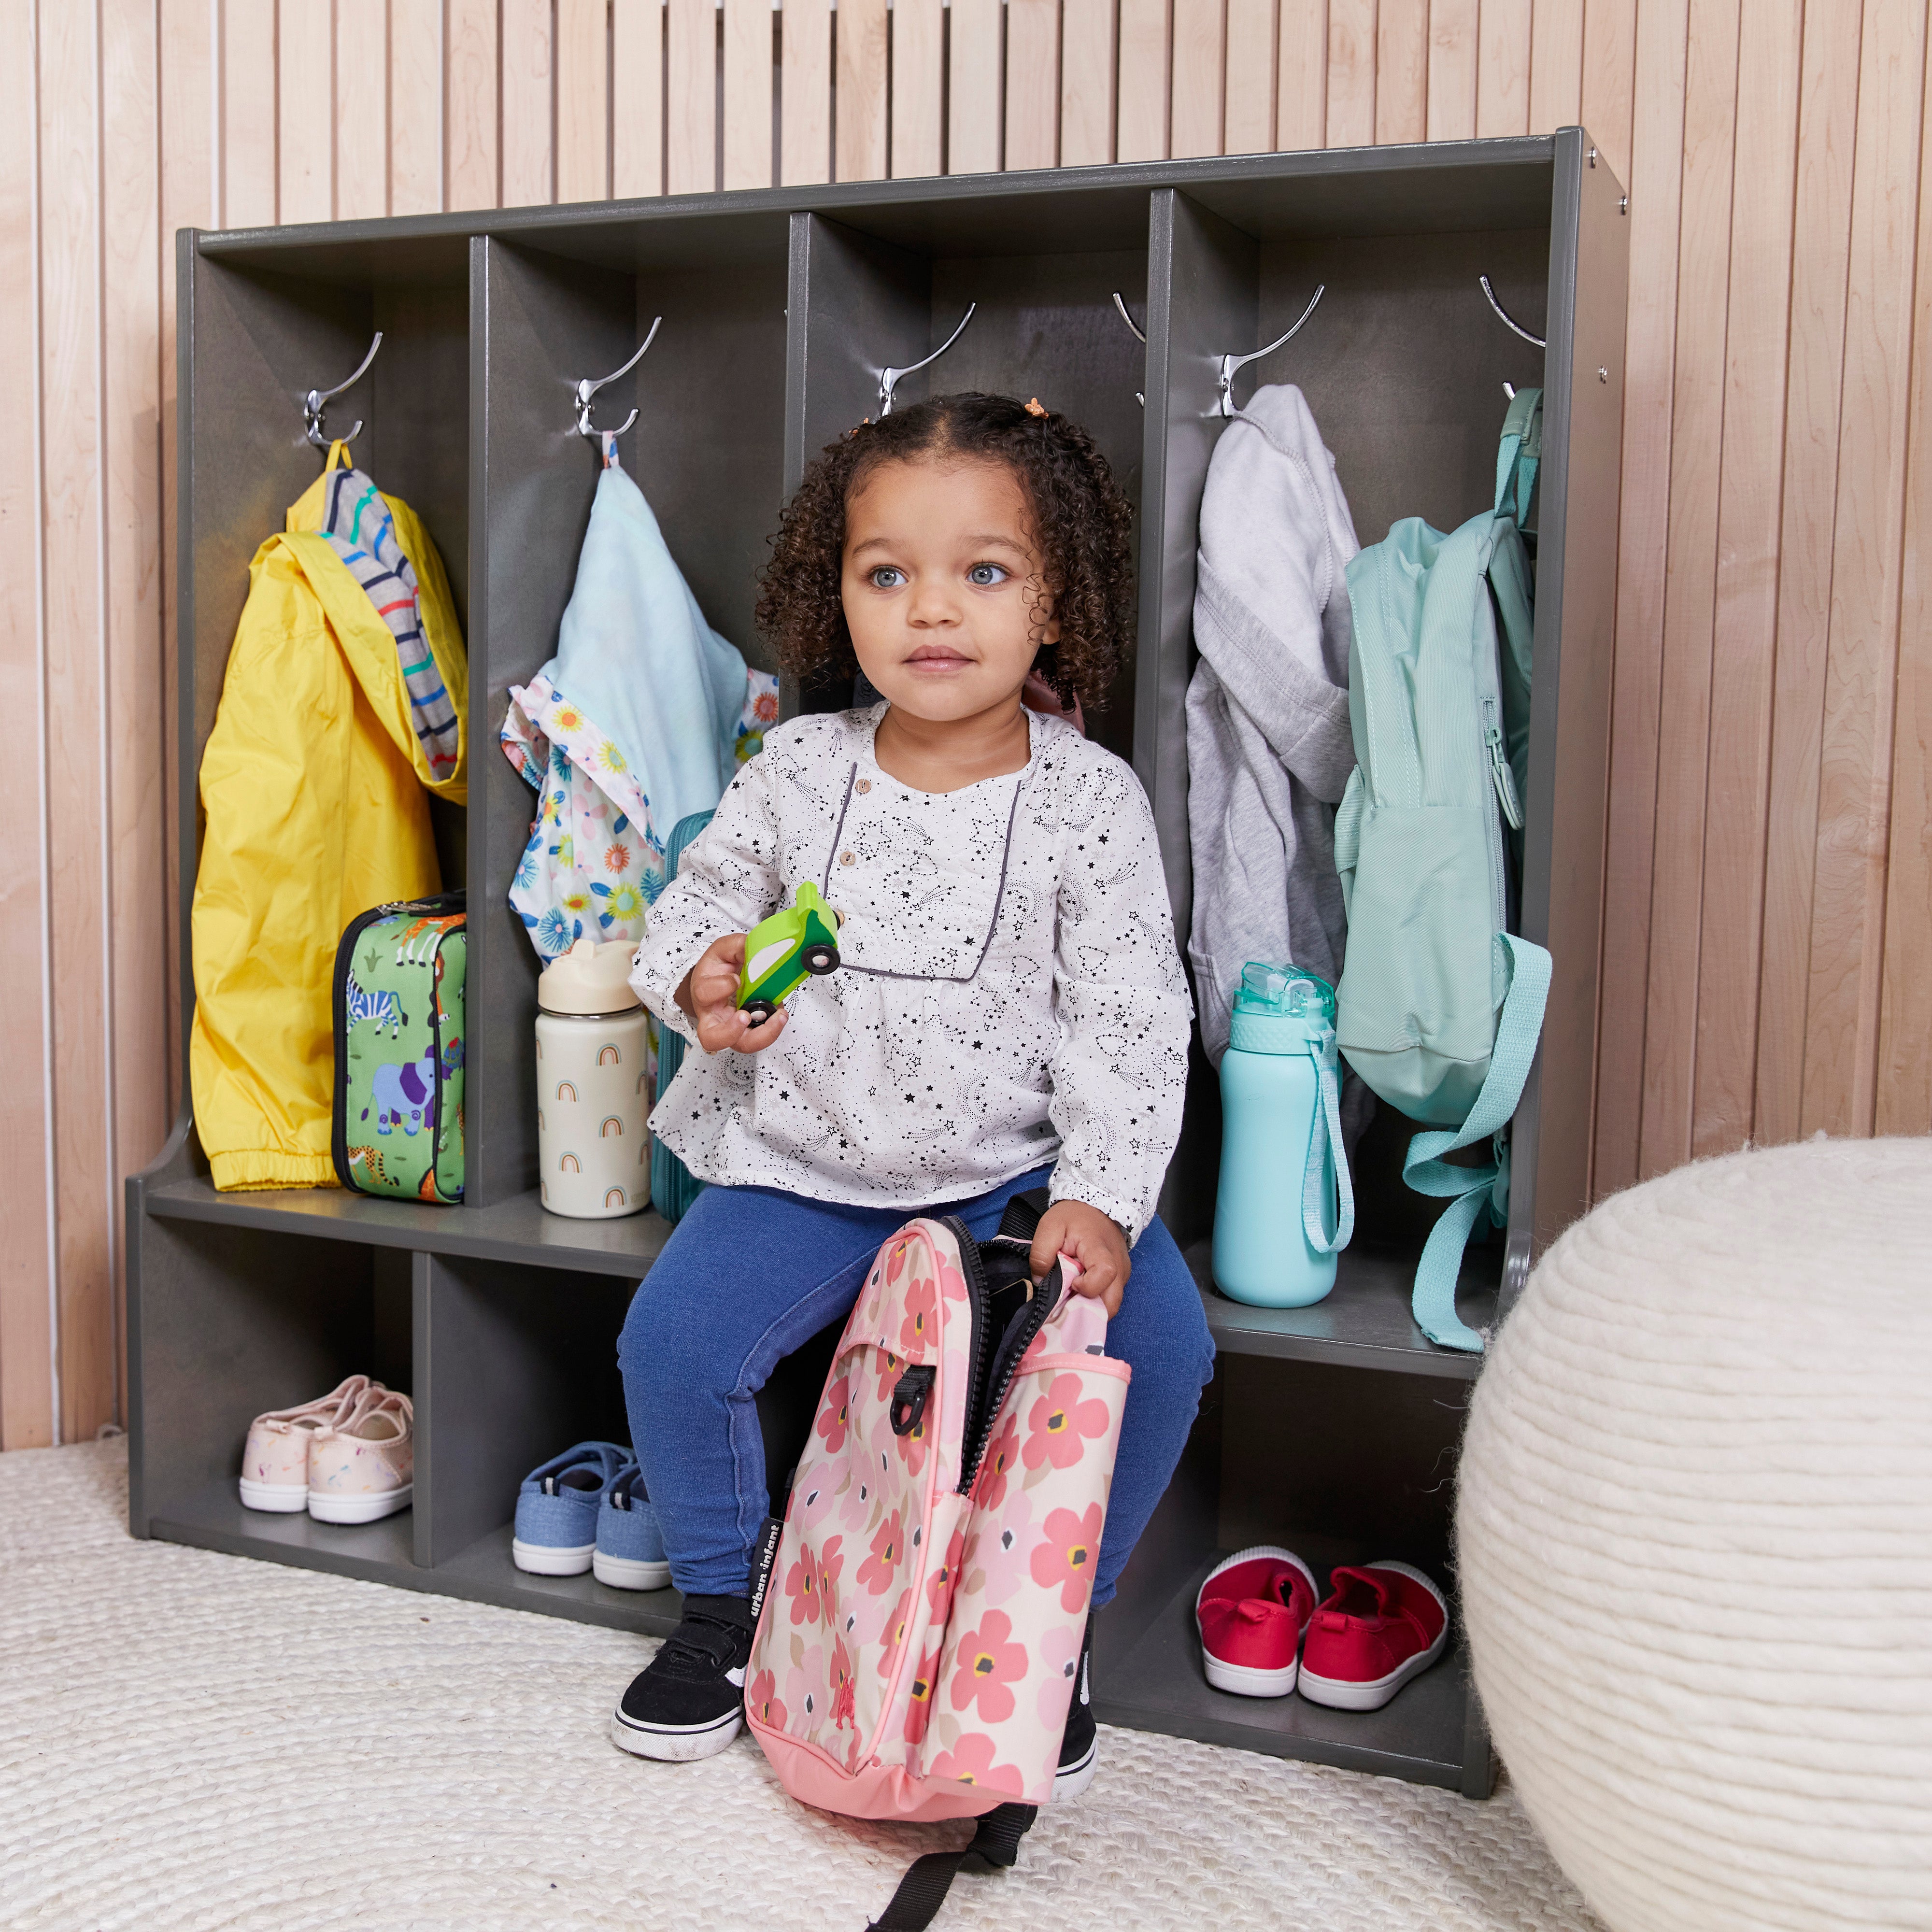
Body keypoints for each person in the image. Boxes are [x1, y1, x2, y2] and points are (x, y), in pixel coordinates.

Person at [611, 392, 1214, 1791]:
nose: (931, 612)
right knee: (674, 1347)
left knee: (1163, 1349)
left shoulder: (1090, 799)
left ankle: (1041, 1628)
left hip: (1015, 1174)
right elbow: (694, 908)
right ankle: (722, 1609)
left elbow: (1132, 1017)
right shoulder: (798, 767)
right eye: (888, 574)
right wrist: (701, 981)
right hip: (806, 1163)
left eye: (984, 573)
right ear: (838, 592)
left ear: (1054, 602)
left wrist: (1100, 1199)